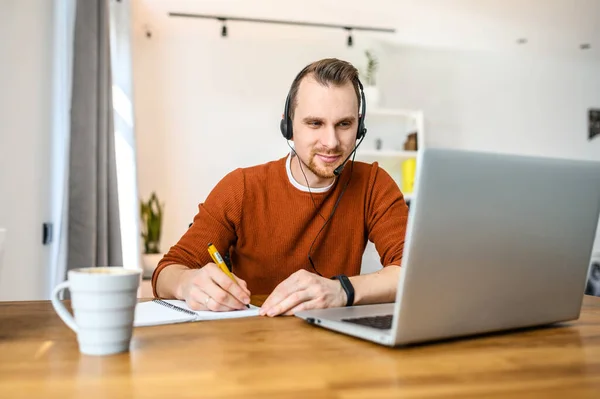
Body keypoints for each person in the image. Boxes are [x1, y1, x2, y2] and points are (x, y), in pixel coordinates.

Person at [152, 58, 409, 317]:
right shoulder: (241, 188)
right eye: (315, 123)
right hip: (253, 342)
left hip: (336, 346)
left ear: (359, 126)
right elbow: (167, 272)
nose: (331, 142)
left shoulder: (374, 184)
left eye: (344, 124)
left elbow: (415, 271)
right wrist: (187, 283)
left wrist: (342, 290)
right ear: (288, 125)